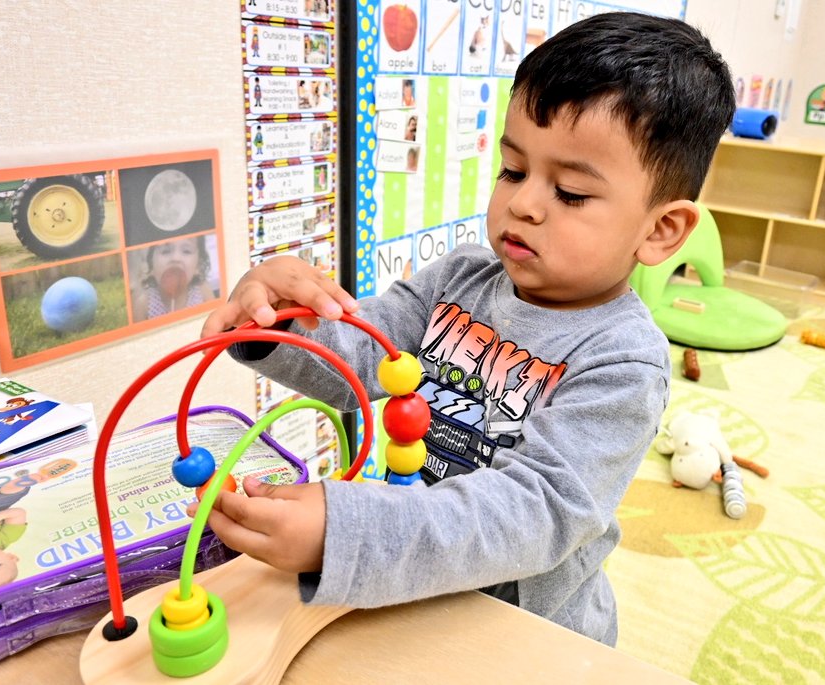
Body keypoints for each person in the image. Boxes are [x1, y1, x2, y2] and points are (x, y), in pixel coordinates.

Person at [197, 12, 735, 645]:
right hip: (407, 585)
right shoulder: (460, 278)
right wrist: (276, 324)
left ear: (659, 230)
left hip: (522, 631)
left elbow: (537, 511)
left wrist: (350, 533)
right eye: (513, 170)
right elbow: (356, 358)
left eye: (569, 192)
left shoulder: (624, 361)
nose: (524, 203)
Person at [132, 236, 216, 322]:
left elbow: (214, 321)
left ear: (198, 266)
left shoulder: (203, 291)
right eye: (166, 251)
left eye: (186, 251)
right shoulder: (144, 304)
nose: (176, 258)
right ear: (151, 265)